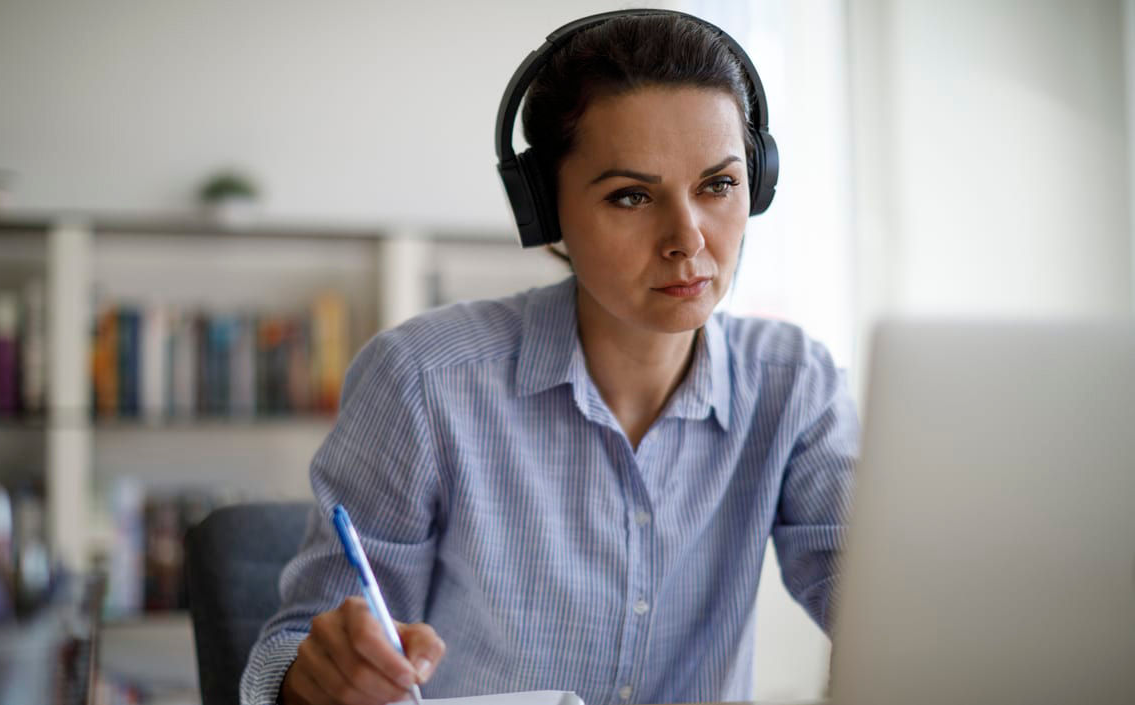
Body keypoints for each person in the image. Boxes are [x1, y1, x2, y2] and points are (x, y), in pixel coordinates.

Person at [242, 10, 857, 705]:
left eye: (718, 185)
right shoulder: (423, 381)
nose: (688, 239)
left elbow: (880, 610)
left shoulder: (796, 385)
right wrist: (319, 675)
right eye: (631, 196)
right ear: (544, 211)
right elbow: (299, 646)